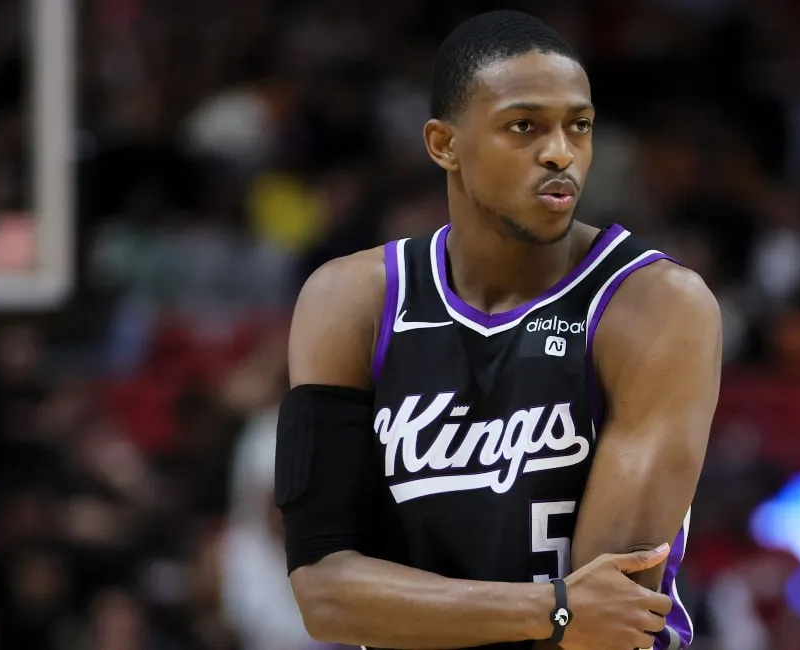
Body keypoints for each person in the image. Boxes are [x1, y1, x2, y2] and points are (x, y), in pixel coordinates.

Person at [276, 10, 720, 650]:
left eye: (579, 126)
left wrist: (557, 615)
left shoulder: (655, 305)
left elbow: (607, 623)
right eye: (524, 126)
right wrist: (553, 607)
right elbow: (323, 594)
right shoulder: (350, 301)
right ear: (443, 144)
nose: (560, 152)